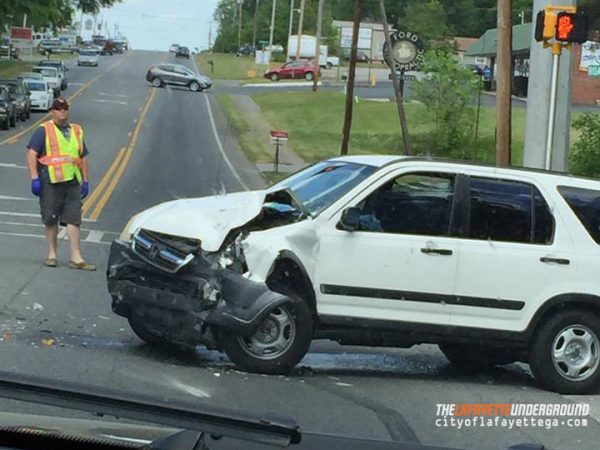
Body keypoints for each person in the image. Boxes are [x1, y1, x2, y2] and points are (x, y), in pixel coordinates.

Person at [26, 97, 96, 271]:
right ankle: (52, 254)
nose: (62, 111)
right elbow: (32, 153)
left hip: (72, 181)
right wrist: (34, 178)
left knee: (74, 218)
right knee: (51, 218)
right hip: (50, 180)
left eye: (65, 108)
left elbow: (82, 158)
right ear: (52, 111)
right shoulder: (44, 130)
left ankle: (76, 257)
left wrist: (85, 180)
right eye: (58, 108)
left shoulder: (77, 131)